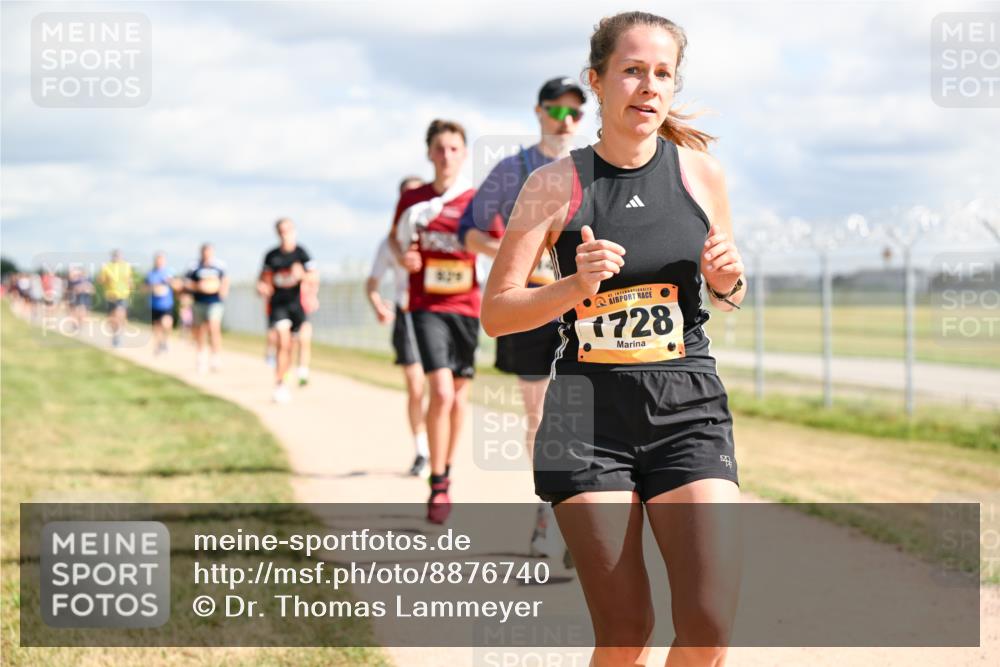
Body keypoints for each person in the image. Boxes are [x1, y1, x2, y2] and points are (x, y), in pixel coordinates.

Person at [481, 12, 745, 666]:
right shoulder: (553, 184)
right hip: (587, 415)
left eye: (662, 74)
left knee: (709, 623)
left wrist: (729, 281)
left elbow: (727, 292)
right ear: (595, 81)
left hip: (689, 407)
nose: (648, 86)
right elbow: (497, 312)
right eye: (632, 70)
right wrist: (573, 287)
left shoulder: (700, 174)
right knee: (628, 629)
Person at [459, 76, 586, 558]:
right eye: (557, 111)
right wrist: (516, 253)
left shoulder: (593, 168)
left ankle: (581, 512)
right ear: (539, 113)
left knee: (585, 416)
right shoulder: (513, 172)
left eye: (575, 112)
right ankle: (549, 515)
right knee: (540, 420)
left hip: (587, 311)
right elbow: (468, 231)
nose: (566, 121)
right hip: (530, 309)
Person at [389, 120, 491, 523]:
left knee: (459, 397)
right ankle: (438, 480)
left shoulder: (478, 201)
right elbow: (397, 241)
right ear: (428, 153)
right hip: (426, 305)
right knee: (442, 393)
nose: (446, 155)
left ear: (463, 154)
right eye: (439, 148)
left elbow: (500, 245)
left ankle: (447, 469)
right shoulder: (413, 200)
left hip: (466, 307)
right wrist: (405, 258)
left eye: (453, 148)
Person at [367, 175, 429, 477]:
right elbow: (372, 283)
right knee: (416, 387)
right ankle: (421, 450)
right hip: (407, 315)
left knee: (443, 391)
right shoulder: (389, 244)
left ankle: (440, 452)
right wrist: (379, 305)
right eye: (407, 198)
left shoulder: (441, 233)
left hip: (442, 316)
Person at [257, 218, 318, 403]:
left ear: (294, 231)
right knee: (282, 342)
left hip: (297, 304)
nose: (285, 234)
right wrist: (261, 287)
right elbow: (263, 279)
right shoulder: (271, 255)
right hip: (278, 304)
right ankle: (280, 385)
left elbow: (314, 276)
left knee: (296, 342)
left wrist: (305, 279)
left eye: (288, 230)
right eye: (281, 231)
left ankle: (297, 372)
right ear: (277, 233)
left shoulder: (302, 253)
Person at [185, 243, 229, 373]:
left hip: (214, 302)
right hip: (199, 302)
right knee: (200, 330)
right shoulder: (194, 267)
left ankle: (215, 357)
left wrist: (222, 290)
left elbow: (225, 280)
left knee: (214, 328)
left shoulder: (219, 266)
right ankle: (201, 357)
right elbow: (187, 283)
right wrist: (199, 286)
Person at [98, 249, 133, 347]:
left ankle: (119, 334)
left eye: (119, 255)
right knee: (111, 318)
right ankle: (115, 334)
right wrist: (105, 279)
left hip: (122, 295)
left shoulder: (126, 266)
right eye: (115, 256)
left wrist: (130, 285)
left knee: (120, 314)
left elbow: (129, 279)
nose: (117, 257)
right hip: (110, 296)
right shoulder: (107, 267)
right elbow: (100, 280)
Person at [144, 252, 177, 354]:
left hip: (167, 304)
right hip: (155, 304)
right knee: (157, 327)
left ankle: (165, 341)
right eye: (158, 259)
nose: (159, 262)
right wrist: (152, 288)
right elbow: (144, 288)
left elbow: (177, 285)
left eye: (161, 259)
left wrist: (171, 282)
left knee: (166, 323)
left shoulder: (169, 272)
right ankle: (158, 345)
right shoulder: (150, 274)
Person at [66, 266, 95, 333]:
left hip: (86, 298)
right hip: (78, 298)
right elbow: (72, 288)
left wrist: (87, 290)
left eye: (84, 273)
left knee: (84, 314)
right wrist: (78, 289)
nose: (83, 274)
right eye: (82, 273)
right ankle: (76, 325)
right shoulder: (76, 280)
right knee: (76, 312)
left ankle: (79, 325)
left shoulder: (89, 280)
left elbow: (93, 290)